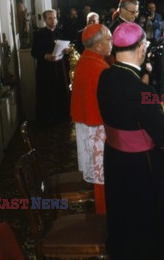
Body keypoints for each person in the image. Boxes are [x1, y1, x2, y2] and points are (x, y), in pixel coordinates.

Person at [97, 22, 164, 259]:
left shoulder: (105, 76)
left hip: (114, 158)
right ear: (142, 48)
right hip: (141, 167)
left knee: (122, 217)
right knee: (146, 224)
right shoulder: (142, 91)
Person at [70, 24, 111, 215]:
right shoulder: (97, 67)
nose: (111, 43)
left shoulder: (88, 60)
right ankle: (104, 218)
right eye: (108, 40)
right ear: (97, 45)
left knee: (100, 177)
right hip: (96, 129)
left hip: (89, 126)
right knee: (102, 177)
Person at [31, 9, 70, 123]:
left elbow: (65, 46)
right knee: (47, 93)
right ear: (44, 20)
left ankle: (62, 117)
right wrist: (45, 56)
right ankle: (48, 120)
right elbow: (34, 52)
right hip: (46, 70)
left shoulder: (60, 31)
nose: (53, 21)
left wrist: (66, 50)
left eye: (54, 18)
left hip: (60, 67)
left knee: (61, 91)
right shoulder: (39, 34)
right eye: (50, 18)